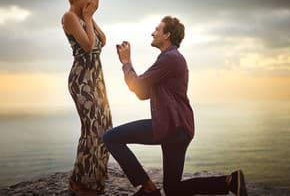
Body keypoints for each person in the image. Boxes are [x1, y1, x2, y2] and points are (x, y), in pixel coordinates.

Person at [103, 16, 248, 196]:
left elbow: (138, 85)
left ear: (167, 35)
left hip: (170, 125)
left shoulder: (170, 58)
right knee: (173, 190)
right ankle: (230, 181)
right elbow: (142, 93)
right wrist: (130, 69)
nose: (152, 32)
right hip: (179, 129)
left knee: (111, 137)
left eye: (157, 29)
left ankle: (147, 188)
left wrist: (126, 63)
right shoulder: (168, 59)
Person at [61, 0, 112, 195]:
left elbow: (103, 40)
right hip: (82, 80)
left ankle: (94, 179)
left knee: (105, 126)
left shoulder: (85, 15)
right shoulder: (69, 17)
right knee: (92, 129)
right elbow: (89, 46)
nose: (94, 1)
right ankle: (81, 181)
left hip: (96, 78)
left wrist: (90, 16)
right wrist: (88, 18)